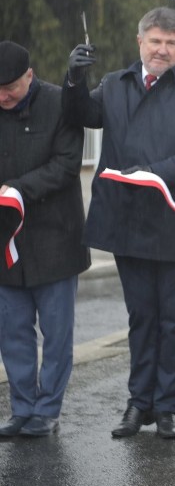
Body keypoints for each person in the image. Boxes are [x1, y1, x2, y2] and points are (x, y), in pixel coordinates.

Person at [63, 7, 175, 439]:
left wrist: (154, 173)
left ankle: (167, 408)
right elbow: (83, 116)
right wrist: (75, 79)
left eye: (171, 43)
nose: (162, 50)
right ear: (141, 42)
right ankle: (138, 404)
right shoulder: (115, 84)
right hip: (127, 221)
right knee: (141, 319)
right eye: (155, 41)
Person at [0, 41, 90, 438]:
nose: (3, 96)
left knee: (56, 334)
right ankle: (21, 408)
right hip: (7, 243)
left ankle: (47, 409)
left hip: (56, 239)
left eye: (11, 88)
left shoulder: (59, 103)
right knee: (13, 330)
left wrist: (16, 189)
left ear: (30, 77)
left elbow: (68, 165)